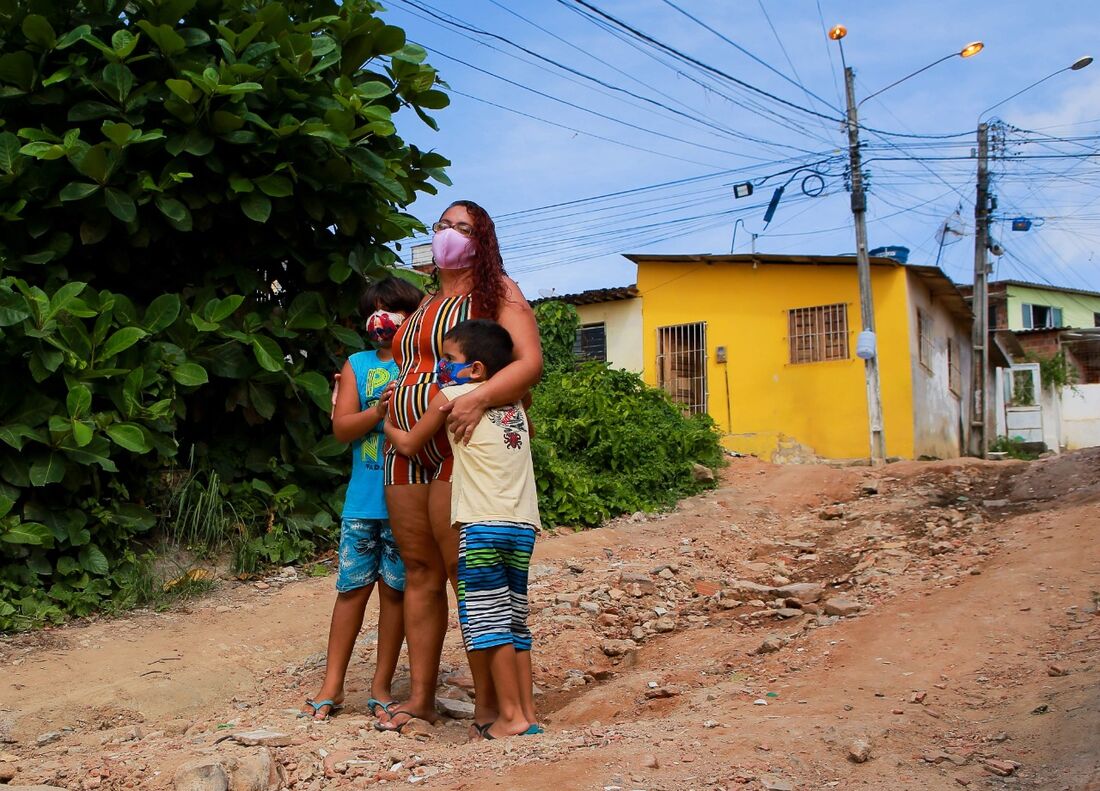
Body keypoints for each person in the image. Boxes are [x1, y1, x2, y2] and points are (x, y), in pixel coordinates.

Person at [377, 201, 543, 734]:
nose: (450, 234)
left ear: (483, 240)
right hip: (405, 452)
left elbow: (528, 362)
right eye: (444, 225)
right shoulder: (423, 301)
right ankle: (422, 697)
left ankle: (496, 708)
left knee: (464, 576)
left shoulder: (500, 293)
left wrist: (478, 397)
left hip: (459, 445)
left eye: (464, 228)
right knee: (419, 571)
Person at [301, 276, 423, 721]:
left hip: (409, 501)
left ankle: (382, 687)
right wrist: (378, 411)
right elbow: (341, 429)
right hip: (363, 503)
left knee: (396, 593)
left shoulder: (426, 367)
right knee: (351, 590)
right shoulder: (356, 364)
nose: (381, 317)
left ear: (414, 317)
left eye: (392, 307)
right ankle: (331, 686)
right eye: (373, 308)